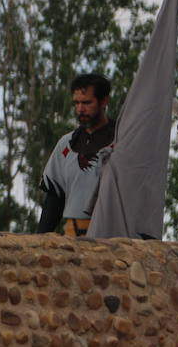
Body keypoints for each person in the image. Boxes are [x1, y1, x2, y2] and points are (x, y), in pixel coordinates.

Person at [37, 73, 115, 235]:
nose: (80, 109)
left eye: (87, 103)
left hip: (114, 235)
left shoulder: (123, 143)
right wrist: (39, 240)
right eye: (77, 103)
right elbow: (54, 199)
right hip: (73, 235)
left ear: (104, 101)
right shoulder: (65, 145)